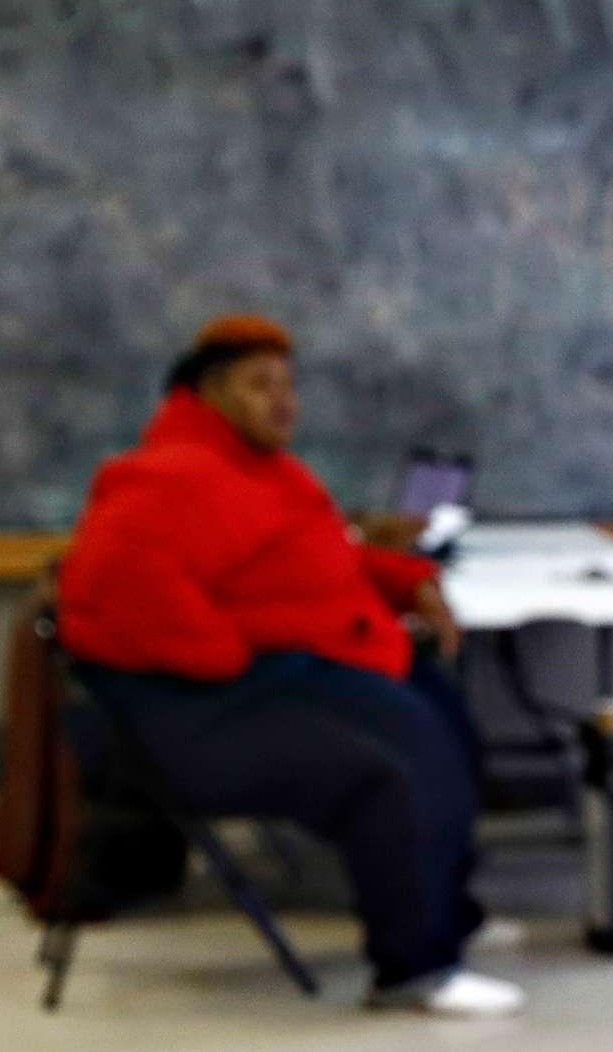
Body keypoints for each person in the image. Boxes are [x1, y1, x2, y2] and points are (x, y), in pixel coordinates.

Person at [54, 315, 523, 1016]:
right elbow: (107, 592)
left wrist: (404, 579)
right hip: (206, 711)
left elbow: (320, 555)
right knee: (389, 762)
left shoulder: (262, 470)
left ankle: (445, 918)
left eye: (287, 384)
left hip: (300, 670)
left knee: (442, 720)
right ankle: (414, 969)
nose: (283, 401)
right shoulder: (167, 477)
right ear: (207, 394)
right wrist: (229, 657)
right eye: (258, 385)